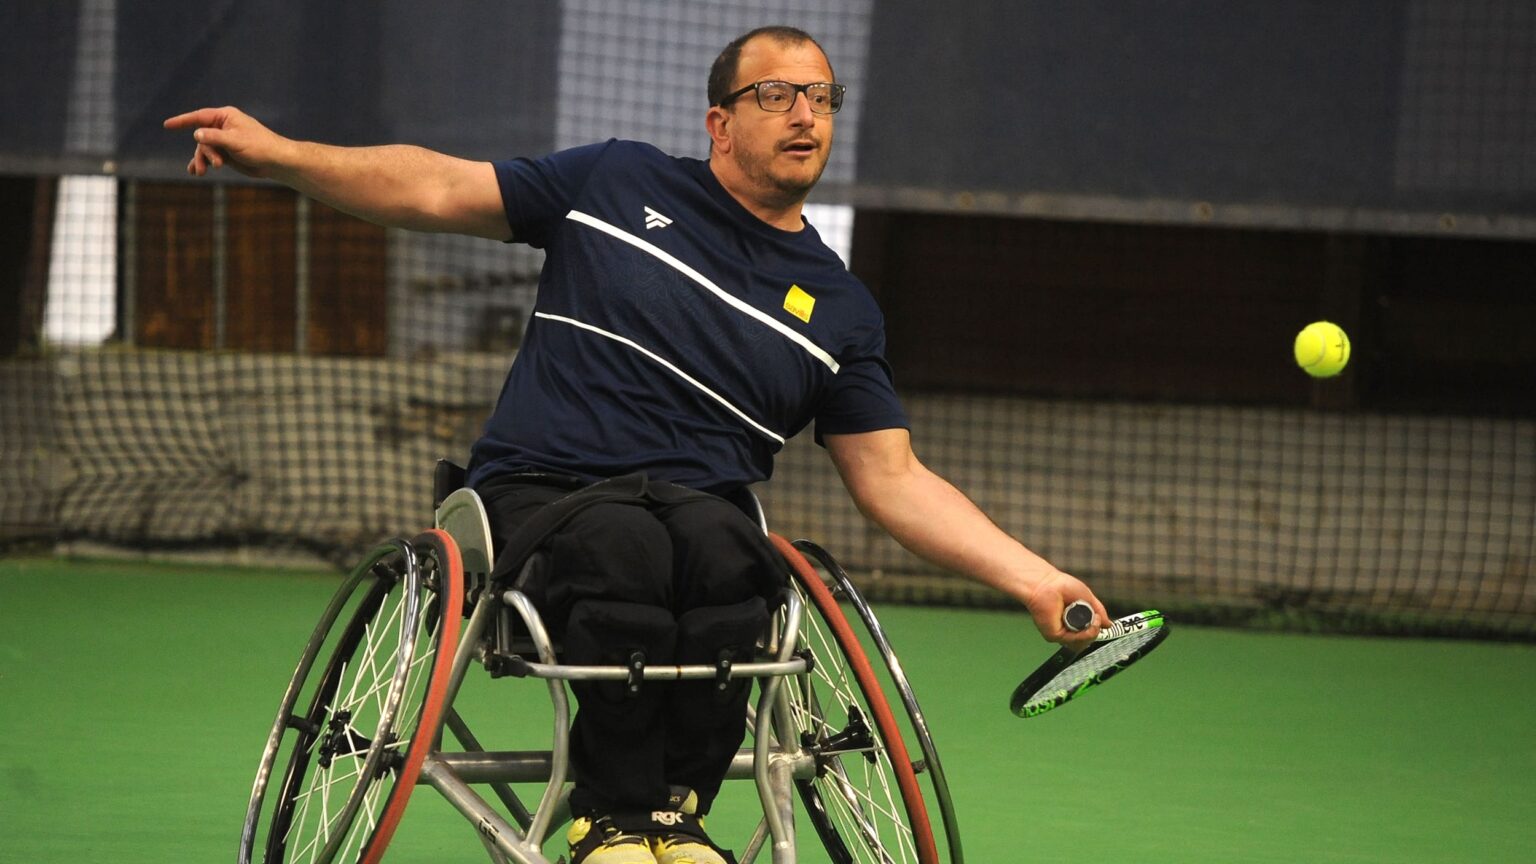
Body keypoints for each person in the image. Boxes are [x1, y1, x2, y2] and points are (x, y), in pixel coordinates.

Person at [168, 25, 1108, 864]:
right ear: (719, 121)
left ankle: (676, 816)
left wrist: (1034, 578)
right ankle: (612, 821)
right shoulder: (617, 182)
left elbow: (893, 477)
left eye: (823, 98)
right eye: (776, 94)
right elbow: (436, 184)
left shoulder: (840, 306)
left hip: (701, 511)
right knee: (626, 543)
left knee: (731, 556)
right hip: (541, 492)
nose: (805, 115)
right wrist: (284, 155)